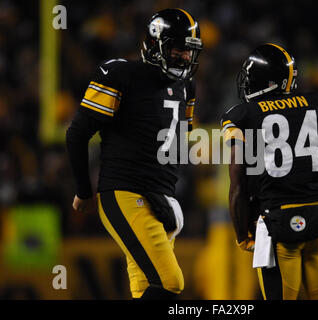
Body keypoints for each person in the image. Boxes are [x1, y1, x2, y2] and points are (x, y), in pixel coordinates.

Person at [66, 8, 202, 299]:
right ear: (156, 44)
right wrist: (83, 190)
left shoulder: (186, 86)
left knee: (145, 288)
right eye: (178, 49)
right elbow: (77, 133)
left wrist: (168, 193)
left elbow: (177, 142)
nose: (185, 57)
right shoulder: (121, 74)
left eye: (189, 51)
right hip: (125, 192)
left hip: (160, 194)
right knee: (170, 281)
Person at [221, 43, 318, 300]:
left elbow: (238, 183)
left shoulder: (242, 115)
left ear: (264, 81)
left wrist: (241, 235)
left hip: (275, 221)